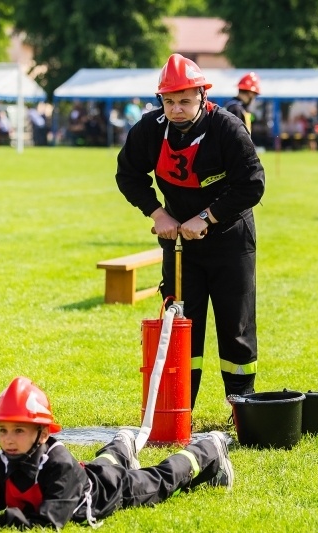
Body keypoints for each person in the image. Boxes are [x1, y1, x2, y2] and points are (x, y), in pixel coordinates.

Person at [115, 54, 265, 409]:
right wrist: (158, 213)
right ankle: (180, 408)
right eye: (169, 101)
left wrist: (208, 217)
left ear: (202, 96)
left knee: (235, 324)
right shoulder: (149, 129)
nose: (177, 109)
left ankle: (240, 405)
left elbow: (252, 184)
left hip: (231, 239)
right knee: (182, 323)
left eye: (185, 100)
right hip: (181, 245)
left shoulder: (227, 128)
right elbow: (128, 175)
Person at [0, 376, 233, 529]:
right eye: (3, 430)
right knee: (106, 463)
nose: (9, 440)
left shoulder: (58, 464)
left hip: (110, 491)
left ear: (43, 433)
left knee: (162, 479)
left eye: (19, 430)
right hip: (89, 474)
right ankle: (122, 443)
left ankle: (210, 448)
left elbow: (49, 522)